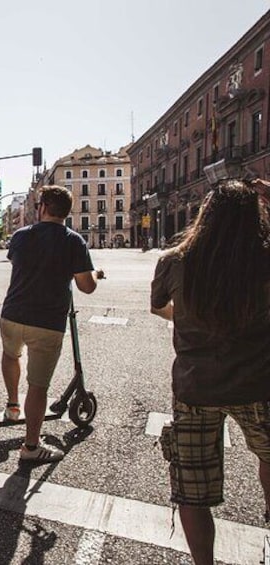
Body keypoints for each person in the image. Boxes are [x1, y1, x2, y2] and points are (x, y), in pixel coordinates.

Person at [150, 178, 270, 565]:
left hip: (195, 388)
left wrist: (186, 317)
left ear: (204, 214)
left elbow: (158, 306)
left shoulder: (174, 259)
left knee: (192, 489)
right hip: (260, 384)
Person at [0, 185, 104, 463]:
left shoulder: (20, 236)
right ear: (68, 212)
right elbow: (87, 287)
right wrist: (92, 273)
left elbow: (20, 263)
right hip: (47, 322)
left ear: (42, 207)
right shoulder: (74, 241)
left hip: (11, 314)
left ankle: (12, 406)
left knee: (11, 354)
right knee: (37, 386)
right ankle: (31, 447)